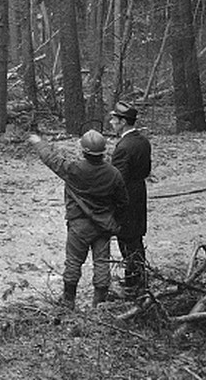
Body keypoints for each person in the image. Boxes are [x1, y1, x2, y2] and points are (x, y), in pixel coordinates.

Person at [27, 130, 128, 309]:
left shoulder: (74, 169)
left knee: (73, 262)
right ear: (103, 151)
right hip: (104, 226)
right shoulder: (114, 174)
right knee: (102, 262)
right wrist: (113, 220)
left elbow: (52, 160)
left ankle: (68, 301)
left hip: (78, 226)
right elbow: (122, 202)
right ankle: (99, 303)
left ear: (84, 151)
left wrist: (38, 143)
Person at [108, 101, 152, 299]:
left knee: (127, 240)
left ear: (123, 122)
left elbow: (118, 180)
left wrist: (112, 203)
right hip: (139, 193)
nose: (111, 123)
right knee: (136, 239)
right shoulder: (143, 141)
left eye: (114, 120)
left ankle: (134, 285)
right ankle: (137, 280)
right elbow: (146, 171)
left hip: (126, 199)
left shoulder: (123, 147)